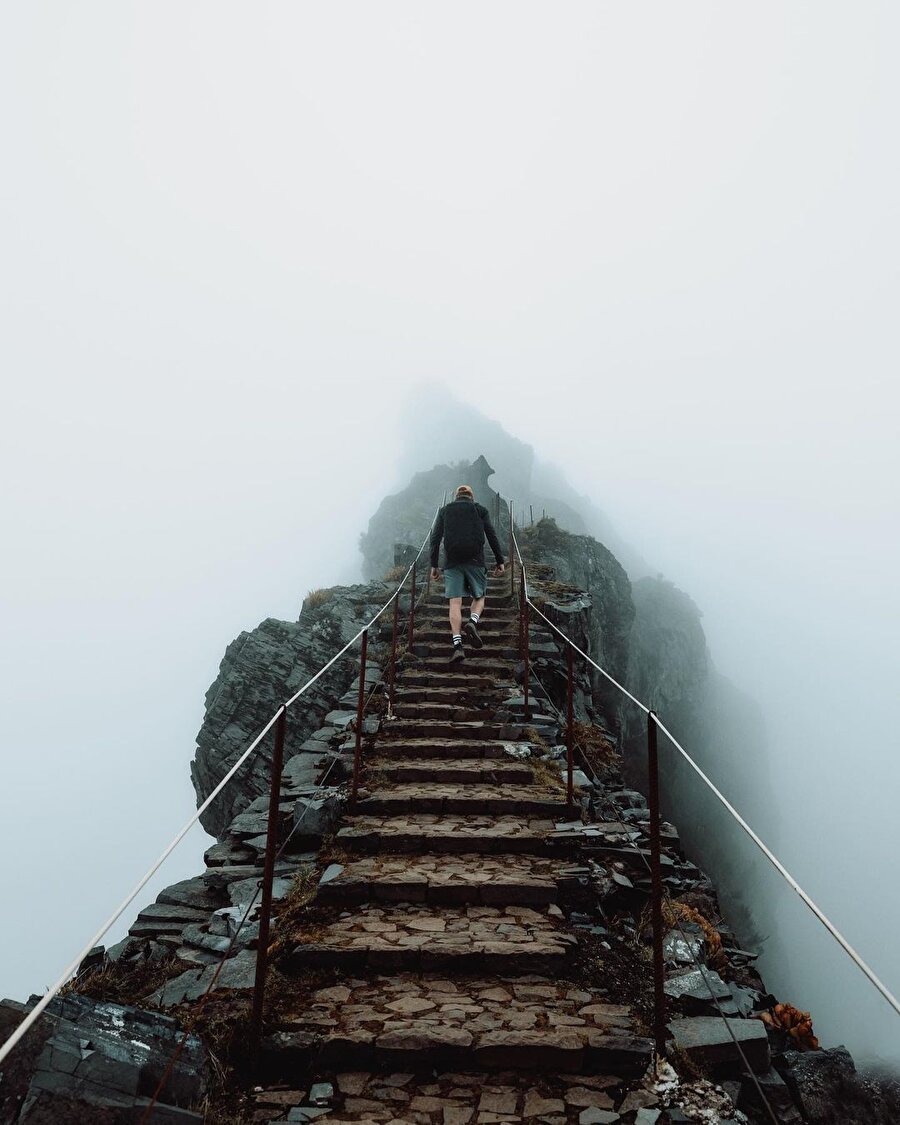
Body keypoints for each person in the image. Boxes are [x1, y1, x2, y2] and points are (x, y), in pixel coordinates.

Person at [429, 484, 505, 664]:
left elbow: (435, 538)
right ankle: (472, 621)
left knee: (455, 603)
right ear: (472, 497)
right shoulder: (480, 510)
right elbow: (491, 535)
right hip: (476, 561)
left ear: (456, 496)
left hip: (452, 562)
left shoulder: (444, 511)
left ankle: (457, 646)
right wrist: (499, 560)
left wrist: (434, 565)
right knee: (479, 596)